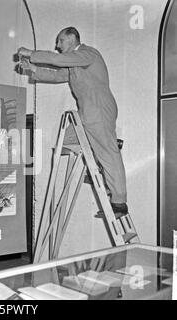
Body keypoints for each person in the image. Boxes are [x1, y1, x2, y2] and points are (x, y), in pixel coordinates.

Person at [17, 26, 128, 216]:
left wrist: (30, 53)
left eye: (60, 41)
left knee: (108, 155)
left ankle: (119, 203)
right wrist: (33, 69)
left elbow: (56, 60)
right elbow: (58, 75)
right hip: (87, 113)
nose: (57, 45)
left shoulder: (88, 54)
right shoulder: (76, 63)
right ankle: (100, 161)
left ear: (71, 38)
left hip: (98, 110)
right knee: (66, 140)